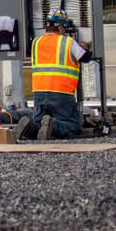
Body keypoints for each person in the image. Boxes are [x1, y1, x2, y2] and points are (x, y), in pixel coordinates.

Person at [25, 10, 90, 140]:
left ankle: (30, 128)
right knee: (72, 125)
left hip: (39, 92)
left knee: (39, 121)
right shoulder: (67, 42)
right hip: (61, 92)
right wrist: (85, 47)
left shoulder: (36, 42)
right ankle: (53, 125)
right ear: (60, 27)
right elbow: (85, 57)